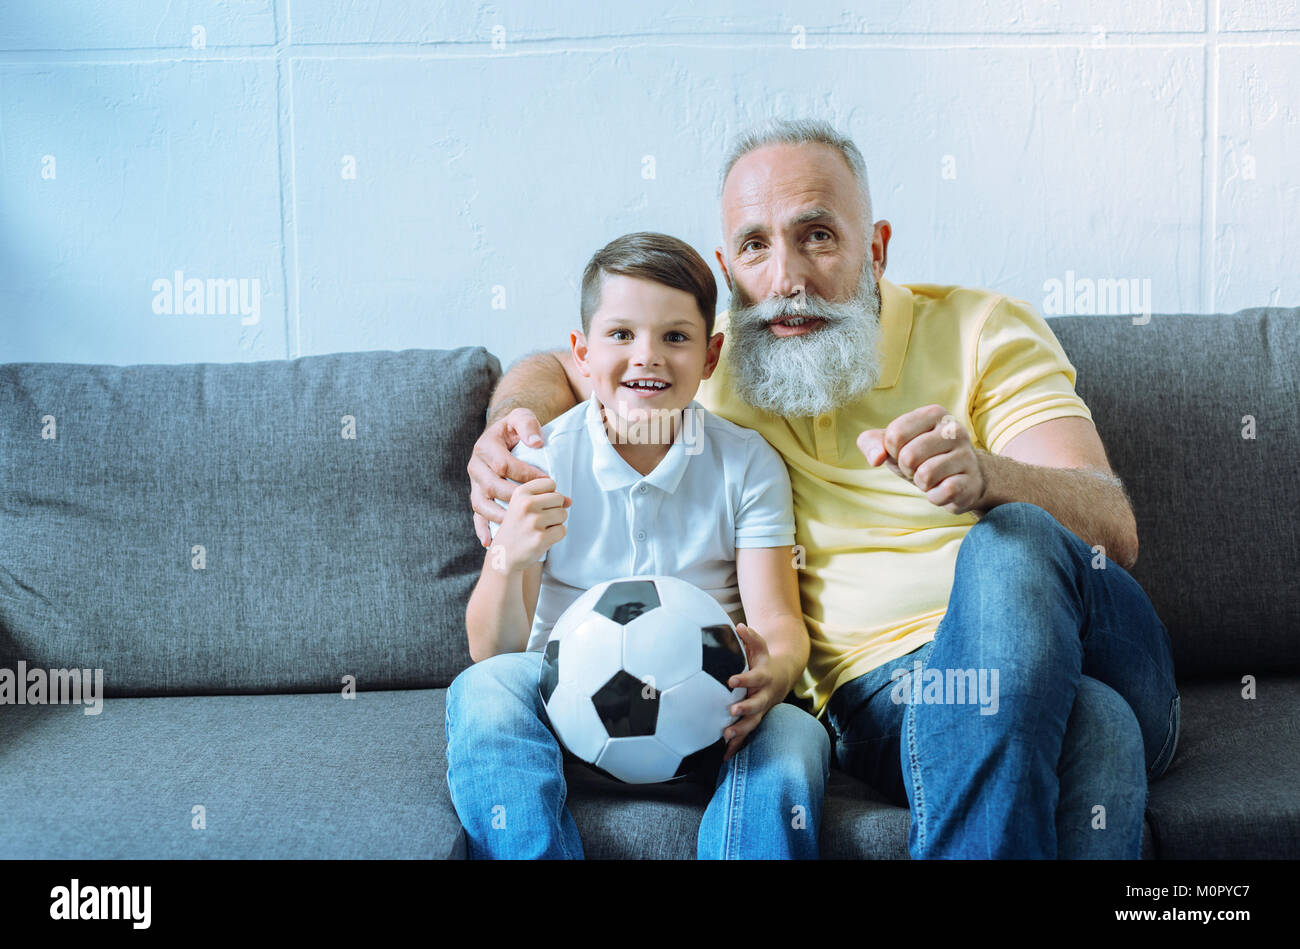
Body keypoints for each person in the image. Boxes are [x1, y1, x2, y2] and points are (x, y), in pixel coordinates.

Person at [466, 118, 1180, 859]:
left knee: (1016, 537)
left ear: (875, 249)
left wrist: (991, 477)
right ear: (728, 269)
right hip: (888, 691)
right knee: (1097, 728)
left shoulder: (982, 329)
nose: (787, 279)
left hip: (1084, 636)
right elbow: (560, 364)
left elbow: (1110, 523)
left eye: (817, 236)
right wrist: (505, 427)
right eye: (755, 246)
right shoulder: (707, 362)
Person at [446, 231, 830, 859]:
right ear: (583, 353)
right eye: (622, 335)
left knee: (796, 735)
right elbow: (493, 652)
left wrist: (776, 670)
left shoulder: (747, 464)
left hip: (709, 721)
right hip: (563, 710)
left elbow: (779, 621)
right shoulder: (542, 461)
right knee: (483, 693)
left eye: (675, 337)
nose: (647, 357)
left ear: (710, 357)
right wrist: (507, 559)